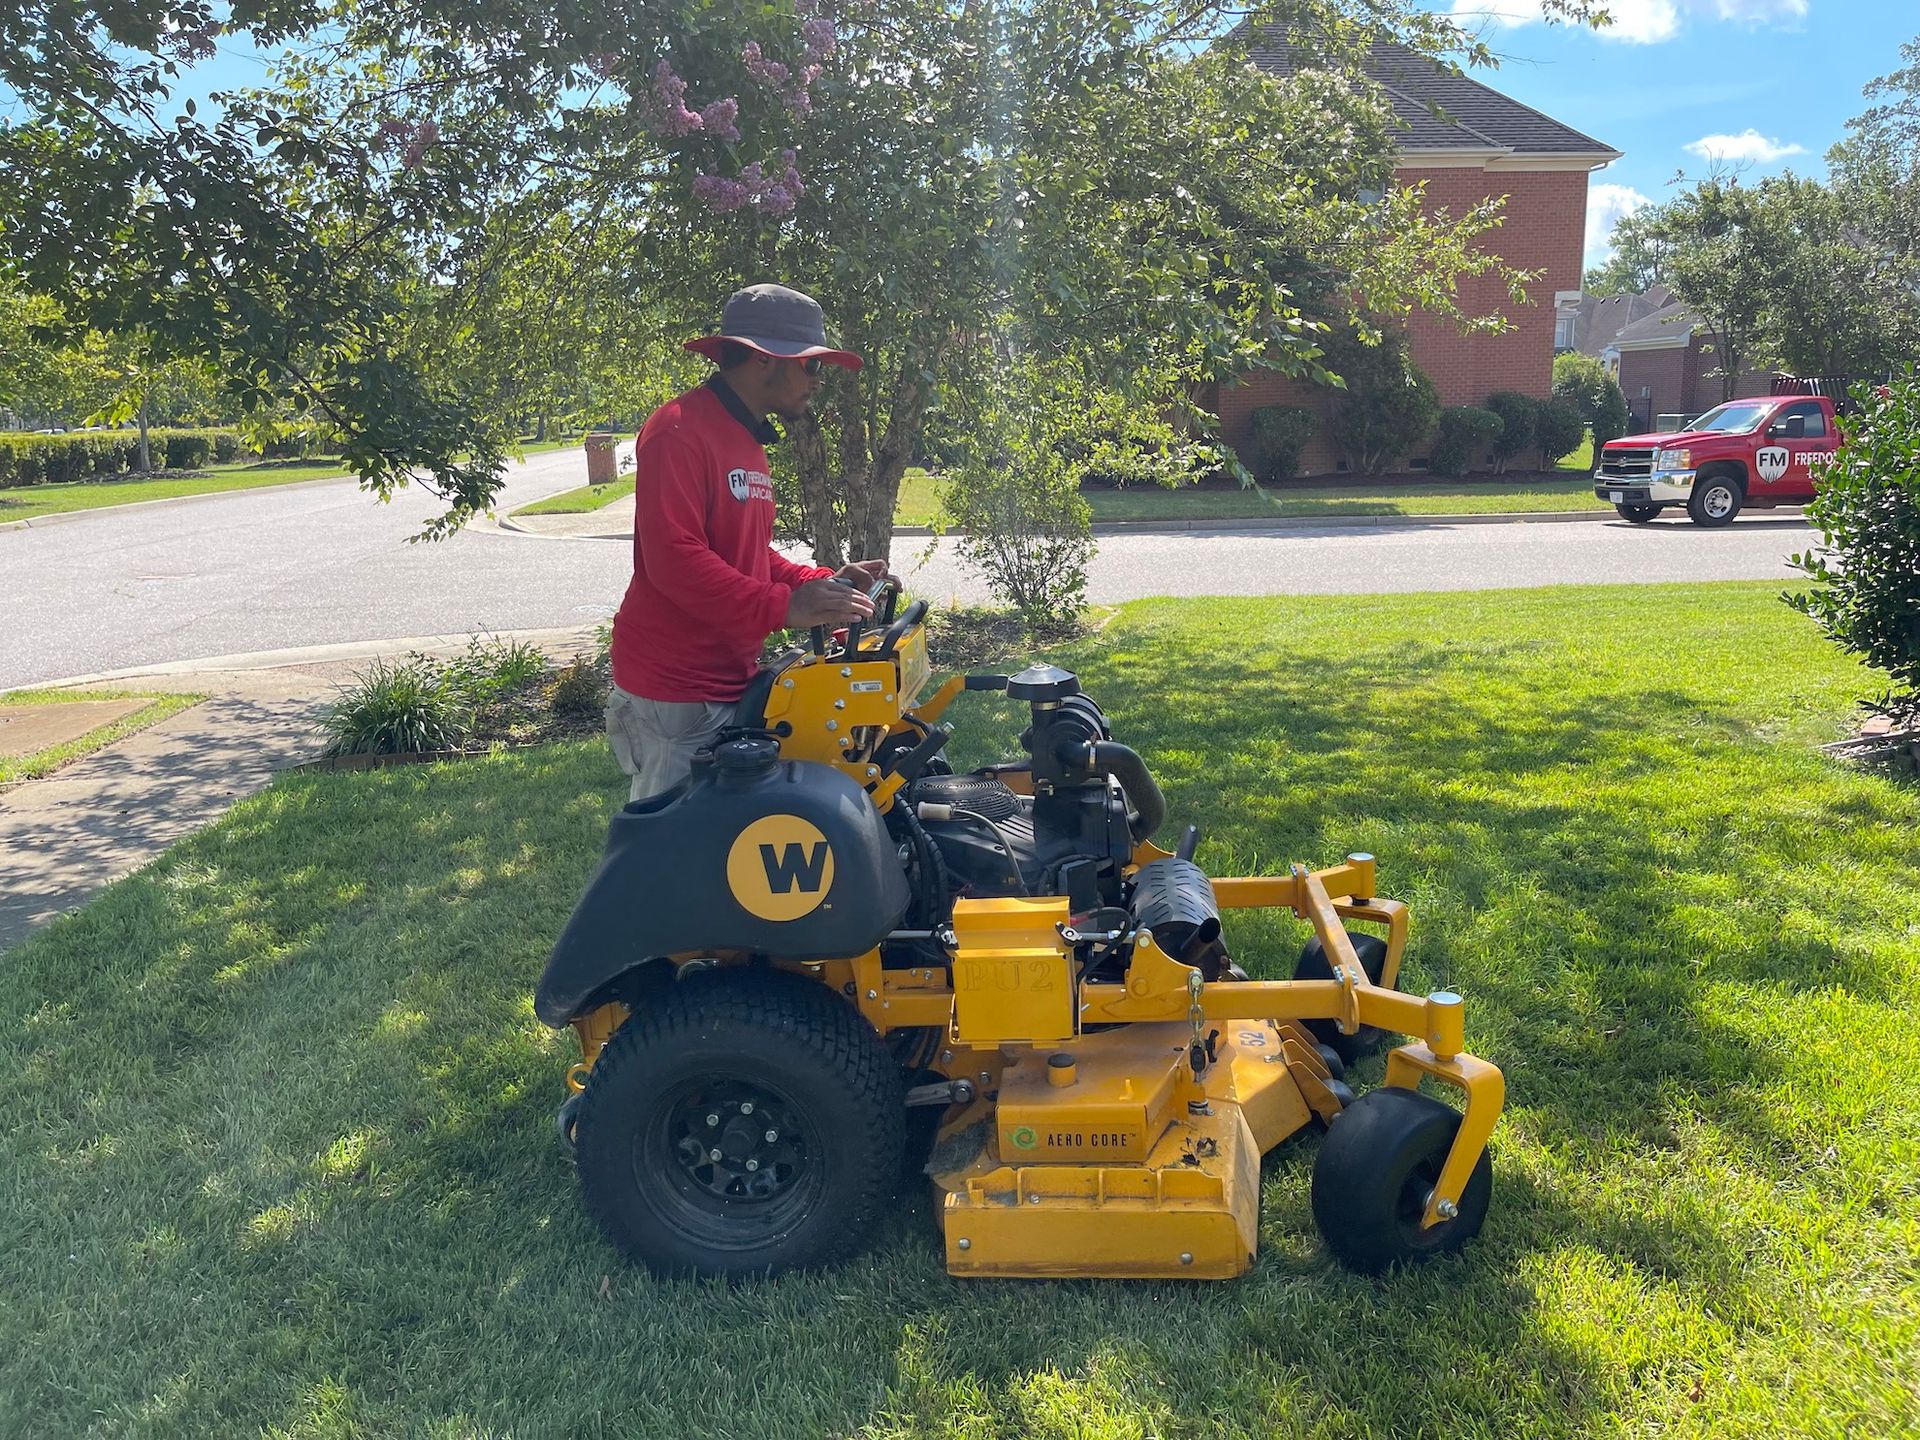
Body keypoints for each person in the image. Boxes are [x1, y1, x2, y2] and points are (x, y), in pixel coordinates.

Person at [606, 283, 889, 801]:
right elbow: (675, 560)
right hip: (675, 688)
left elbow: (747, 553)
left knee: (726, 852)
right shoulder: (678, 429)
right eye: (812, 366)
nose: (816, 382)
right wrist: (785, 605)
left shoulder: (747, 439)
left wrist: (821, 584)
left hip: (727, 677)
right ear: (765, 358)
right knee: (674, 855)